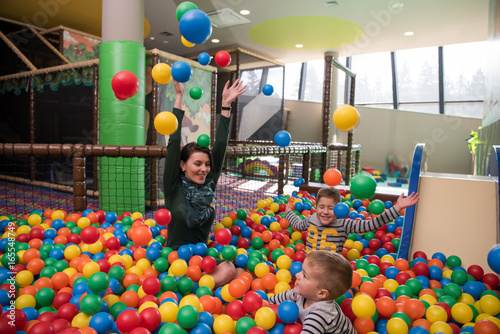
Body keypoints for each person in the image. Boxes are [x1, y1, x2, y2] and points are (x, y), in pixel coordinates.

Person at [163, 79, 247, 287]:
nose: (203, 169)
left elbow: (220, 144)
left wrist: (226, 105)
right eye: (197, 164)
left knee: (238, 270)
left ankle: (191, 288)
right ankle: (189, 289)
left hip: (200, 257)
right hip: (176, 259)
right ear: (183, 165)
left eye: (207, 164)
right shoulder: (173, 186)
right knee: (230, 271)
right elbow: (174, 143)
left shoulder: (209, 183)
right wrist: (179, 97)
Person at [286, 187, 419, 254]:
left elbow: (371, 225)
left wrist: (398, 207)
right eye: (321, 207)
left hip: (330, 269)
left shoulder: (344, 223)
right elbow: (298, 224)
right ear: (316, 207)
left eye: (331, 208)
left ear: (339, 207)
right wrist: (288, 212)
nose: (325, 212)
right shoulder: (312, 219)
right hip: (310, 267)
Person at [269, 250, 357, 334]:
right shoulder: (303, 292)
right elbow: (278, 298)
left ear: (321, 293)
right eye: (301, 270)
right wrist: (265, 303)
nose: (297, 275)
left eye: (304, 275)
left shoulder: (319, 315)